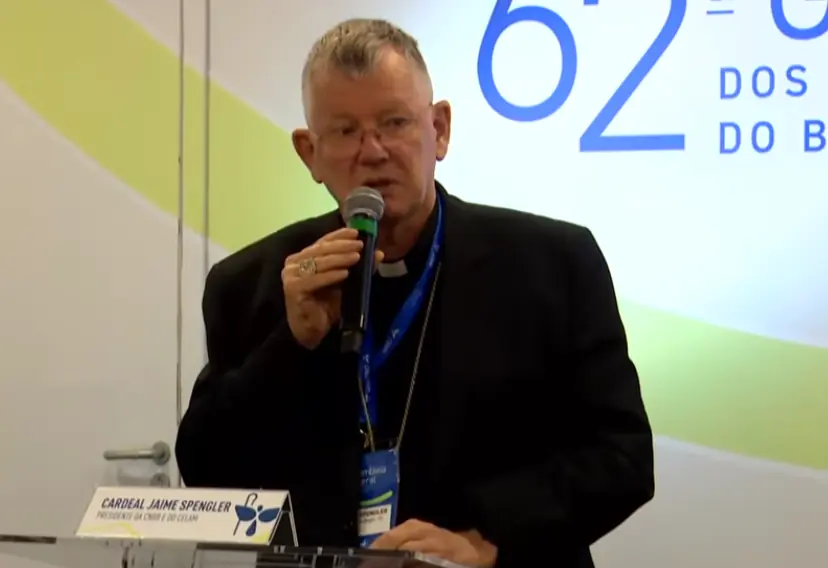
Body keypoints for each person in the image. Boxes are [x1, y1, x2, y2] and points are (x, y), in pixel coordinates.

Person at [175, 17, 654, 568]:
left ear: (439, 129)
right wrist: (290, 343)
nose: (373, 150)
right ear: (310, 153)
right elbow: (206, 469)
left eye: (395, 122)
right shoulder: (251, 283)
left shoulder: (552, 264)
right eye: (345, 131)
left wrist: (488, 536)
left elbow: (622, 457)